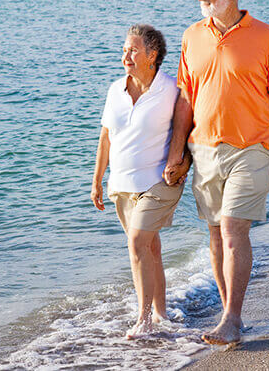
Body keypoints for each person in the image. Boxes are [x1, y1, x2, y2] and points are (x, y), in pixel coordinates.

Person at [163, 0, 269, 346]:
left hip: (253, 148)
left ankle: (232, 319)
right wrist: (177, 154)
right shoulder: (192, 37)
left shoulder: (265, 36)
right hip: (203, 150)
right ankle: (229, 314)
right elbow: (186, 99)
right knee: (216, 235)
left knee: (233, 229)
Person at [91, 24, 189, 339]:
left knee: (137, 243)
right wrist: (96, 181)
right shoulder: (114, 90)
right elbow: (105, 138)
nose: (126, 56)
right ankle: (160, 313)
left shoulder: (172, 91)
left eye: (132, 50)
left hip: (158, 182)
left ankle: (143, 318)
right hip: (121, 183)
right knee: (150, 247)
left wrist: (183, 164)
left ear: (152, 55)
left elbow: (189, 132)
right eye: (124, 50)